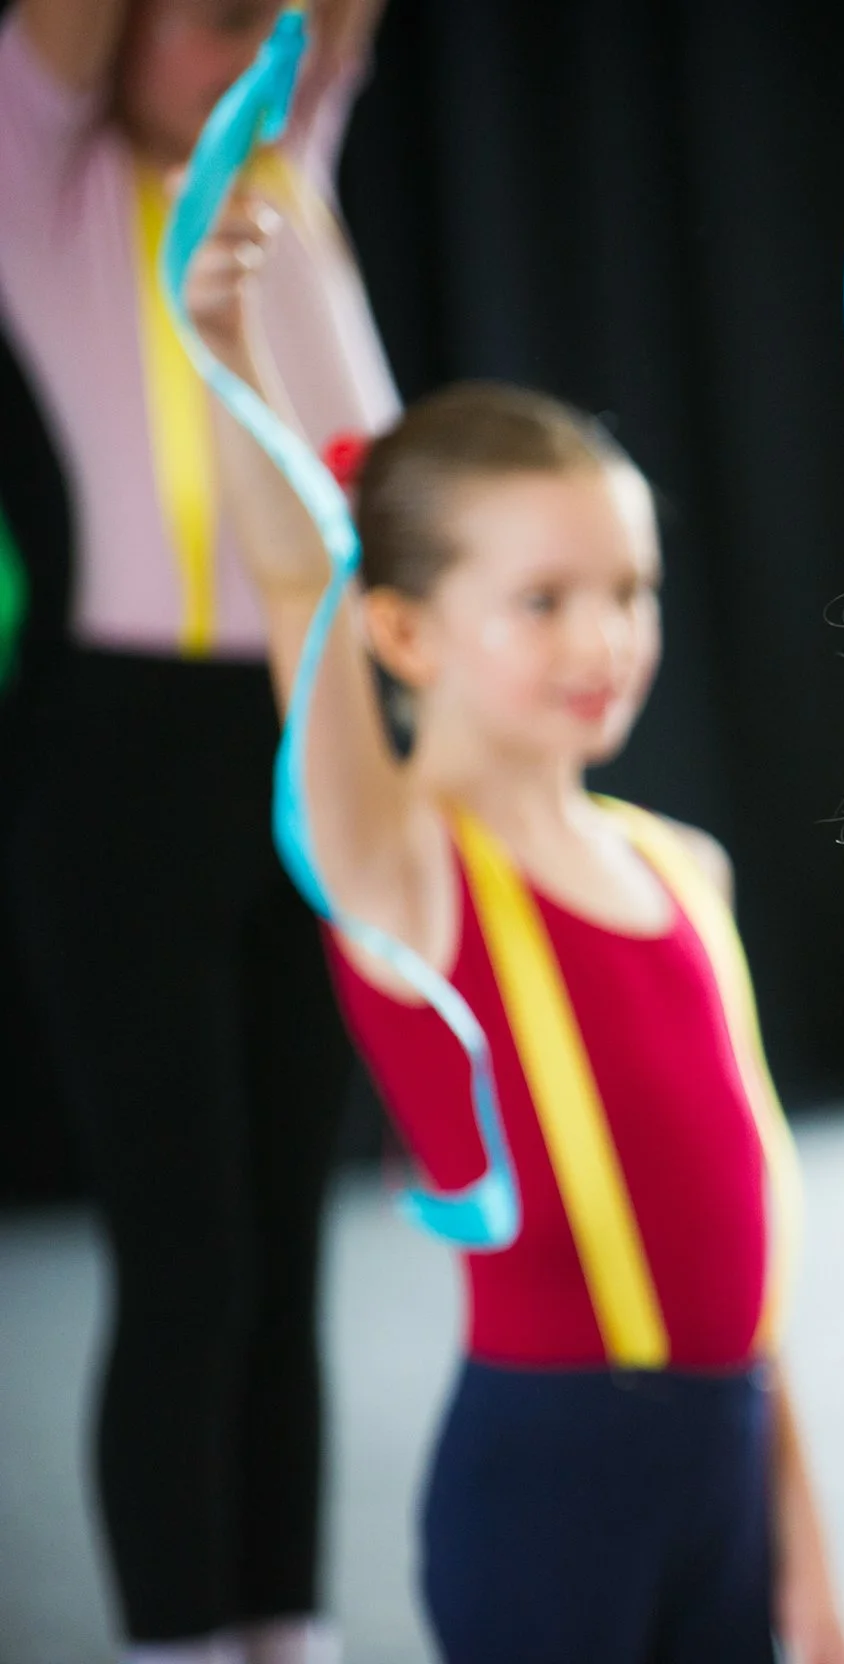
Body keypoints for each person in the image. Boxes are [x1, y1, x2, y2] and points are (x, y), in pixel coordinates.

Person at [182, 197, 844, 1664]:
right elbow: (305, 585)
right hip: (550, 1479)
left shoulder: (685, 869)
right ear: (406, 635)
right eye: (543, 601)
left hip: (729, 1461)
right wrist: (230, 349)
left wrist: (806, 1558)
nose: (604, 637)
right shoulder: (406, 865)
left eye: (628, 591)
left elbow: (755, 1275)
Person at [0, 3, 393, 1657]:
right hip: (120, 750)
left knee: (294, 1228)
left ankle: (283, 1617)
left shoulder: (290, 165)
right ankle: (175, 1628)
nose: (259, 66)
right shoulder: (52, 189)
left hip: (311, 725)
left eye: (277, 31)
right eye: (215, 26)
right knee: (188, 1239)